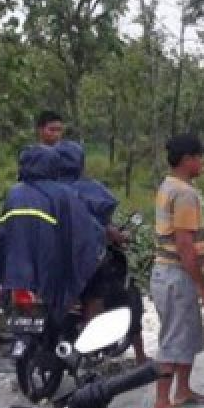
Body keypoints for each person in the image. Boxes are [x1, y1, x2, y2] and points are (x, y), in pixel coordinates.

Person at [55, 141, 147, 364]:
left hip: (49, 262)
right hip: (85, 261)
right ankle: (91, 349)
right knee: (96, 295)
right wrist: (119, 236)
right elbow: (101, 225)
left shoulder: (44, 191)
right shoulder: (89, 190)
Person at [0, 145, 105, 328]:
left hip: (14, 276)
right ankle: (90, 333)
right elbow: (82, 232)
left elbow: (3, 234)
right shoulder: (62, 194)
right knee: (94, 284)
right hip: (49, 276)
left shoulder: (13, 193)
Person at [150, 134, 204, 408]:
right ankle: (162, 402)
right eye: (200, 157)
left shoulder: (170, 186)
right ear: (189, 159)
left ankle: (183, 390)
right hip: (176, 273)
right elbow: (184, 244)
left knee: (187, 332)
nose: (202, 163)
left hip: (171, 272)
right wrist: (202, 283)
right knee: (174, 336)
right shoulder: (185, 194)